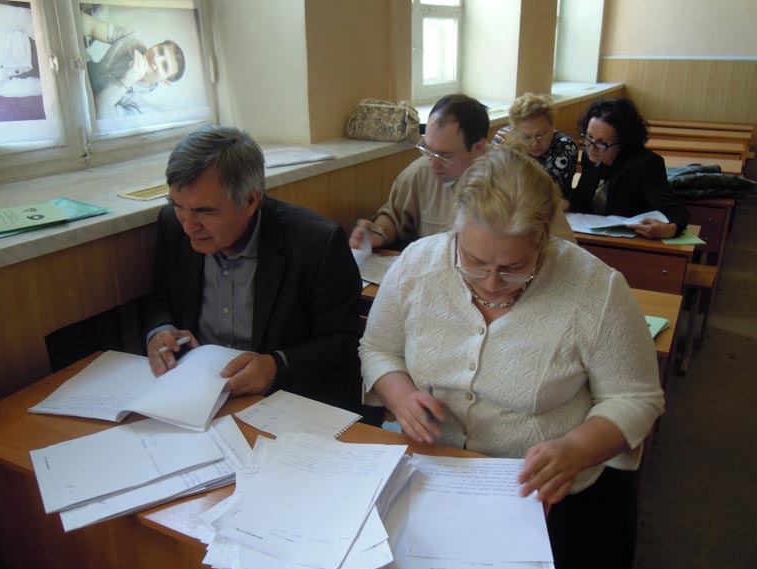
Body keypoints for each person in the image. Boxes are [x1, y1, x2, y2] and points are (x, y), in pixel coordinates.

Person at [359, 145, 664, 569]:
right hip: (438, 476)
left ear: (544, 240)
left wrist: (576, 449)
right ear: (455, 228)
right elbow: (378, 347)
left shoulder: (595, 289)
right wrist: (400, 394)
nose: (490, 283)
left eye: (513, 267)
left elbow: (636, 398)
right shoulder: (418, 264)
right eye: (474, 261)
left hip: (555, 496)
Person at [144, 125, 364, 413]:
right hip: (197, 396)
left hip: (286, 401)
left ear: (250, 200)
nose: (189, 226)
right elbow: (160, 299)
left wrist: (276, 365)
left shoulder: (316, 243)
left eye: (205, 211)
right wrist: (160, 330)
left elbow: (346, 342)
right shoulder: (172, 225)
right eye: (178, 206)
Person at [349, 94, 576, 250]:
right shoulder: (420, 173)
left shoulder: (523, 179)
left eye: (444, 155)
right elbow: (395, 218)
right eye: (427, 149)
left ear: (478, 147)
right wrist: (378, 232)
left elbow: (564, 249)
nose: (432, 163)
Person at [571, 97, 689, 239]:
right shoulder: (590, 156)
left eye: (602, 142)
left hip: (633, 241)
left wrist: (670, 229)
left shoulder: (645, 164)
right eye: (589, 137)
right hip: (593, 236)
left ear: (623, 143)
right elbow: (582, 200)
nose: (591, 147)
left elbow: (676, 211)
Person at [84, 14, 185, 119]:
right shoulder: (133, 39)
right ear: (156, 45)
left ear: (165, 81)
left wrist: (127, 80)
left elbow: (98, 112)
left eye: (164, 66)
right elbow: (92, 26)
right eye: (160, 51)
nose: (156, 59)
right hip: (84, 70)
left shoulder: (144, 107)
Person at [492, 92, 578, 201]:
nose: (535, 143)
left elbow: (539, 191)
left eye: (541, 135)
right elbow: (493, 183)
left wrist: (515, 154)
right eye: (526, 137)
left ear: (552, 125)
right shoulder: (504, 139)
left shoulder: (566, 146)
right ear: (514, 130)